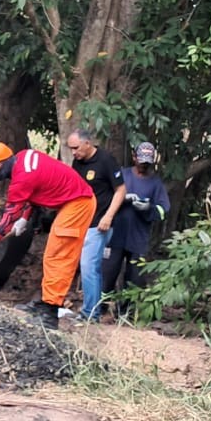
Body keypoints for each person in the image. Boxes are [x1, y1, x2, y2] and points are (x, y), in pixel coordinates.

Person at [0, 142, 94, 327]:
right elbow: (36, 189)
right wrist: (24, 217)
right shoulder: (23, 158)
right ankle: (45, 303)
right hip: (71, 201)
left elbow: (6, 222)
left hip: (78, 204)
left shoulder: (22, 178)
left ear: (6, 160)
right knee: (51, 256)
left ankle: (50, 313)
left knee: (58, 257)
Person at [99, 142, 170, 317]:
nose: (144, 165)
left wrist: (148, 209)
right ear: (134, 157)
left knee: (135, 277)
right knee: (108, 273)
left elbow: (163, 209)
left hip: (138, 238)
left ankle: (125, 313)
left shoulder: (155, 183)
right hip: (115, 234)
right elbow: (105, 198)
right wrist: (121, 200)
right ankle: (100, 308)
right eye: (141, 160)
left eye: (148, 162)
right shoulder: (122, 175)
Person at [65, 129, 128, 320]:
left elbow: (121, 190)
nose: (73, 152)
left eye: (76, 148)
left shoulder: (106, 160)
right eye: (71, 149)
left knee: (88, 265)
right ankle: (95, 310)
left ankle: (89, 313)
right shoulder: (78, 162)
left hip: (100, 223)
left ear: (87, 143)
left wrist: (108, 216)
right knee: (91, 267)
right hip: (82, 221)